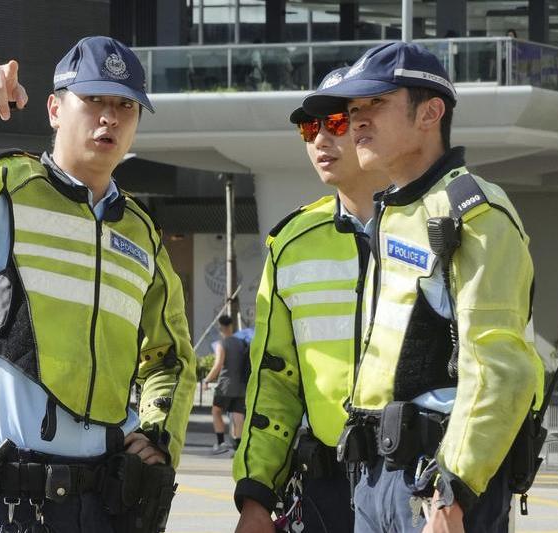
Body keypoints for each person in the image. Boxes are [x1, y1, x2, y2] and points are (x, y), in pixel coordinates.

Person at [0, 36, 196, 532]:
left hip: (106, 503)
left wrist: (159, 433)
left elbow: (171, 356)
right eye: (95, 100)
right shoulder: (5, 192)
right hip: (7, 501)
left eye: (126, 105)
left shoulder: (142, 233)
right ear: (55, 108)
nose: (110, 117)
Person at [303, 42, 543, 533]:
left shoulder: (474, 213)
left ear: (431, 112)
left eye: (376, 104)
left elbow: (499, 367)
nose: (358, 120)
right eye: (354, 109)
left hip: (437, 482)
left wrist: (453, 489)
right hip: (377, 477)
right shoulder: (393, 210)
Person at [232, 67, 389, 533]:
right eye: (309, 127)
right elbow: (274, 382)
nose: (321, 138)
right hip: (327, 491)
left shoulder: (441, 227)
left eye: (336, 123)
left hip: (419, 487)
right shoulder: (291, 244)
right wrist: (256, 498)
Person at [204, 314, 247, 453]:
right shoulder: (241, 343)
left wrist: (207, 380)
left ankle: (221, 443)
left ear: (221, 328)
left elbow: (218, 365)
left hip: (225, 385)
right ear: (231, 326)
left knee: (216, 411)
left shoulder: (222, 344)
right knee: (238, 414)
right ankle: (238, 447)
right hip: (241, 386)